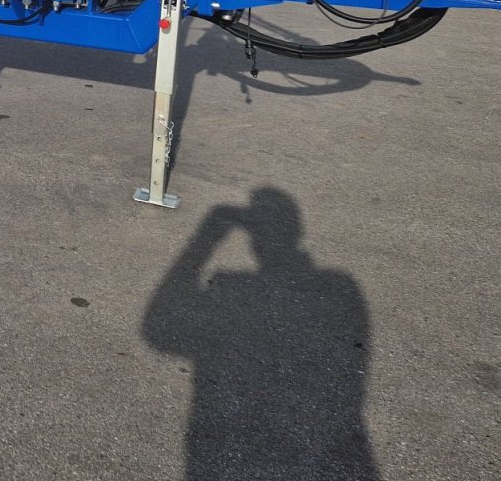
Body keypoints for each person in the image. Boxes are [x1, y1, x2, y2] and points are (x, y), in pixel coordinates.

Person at [141, 188, 379, 480]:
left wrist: (205, 239)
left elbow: (157, 332)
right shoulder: (342, 286)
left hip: (225, 448)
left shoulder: (334, 286)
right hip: (335, 451)